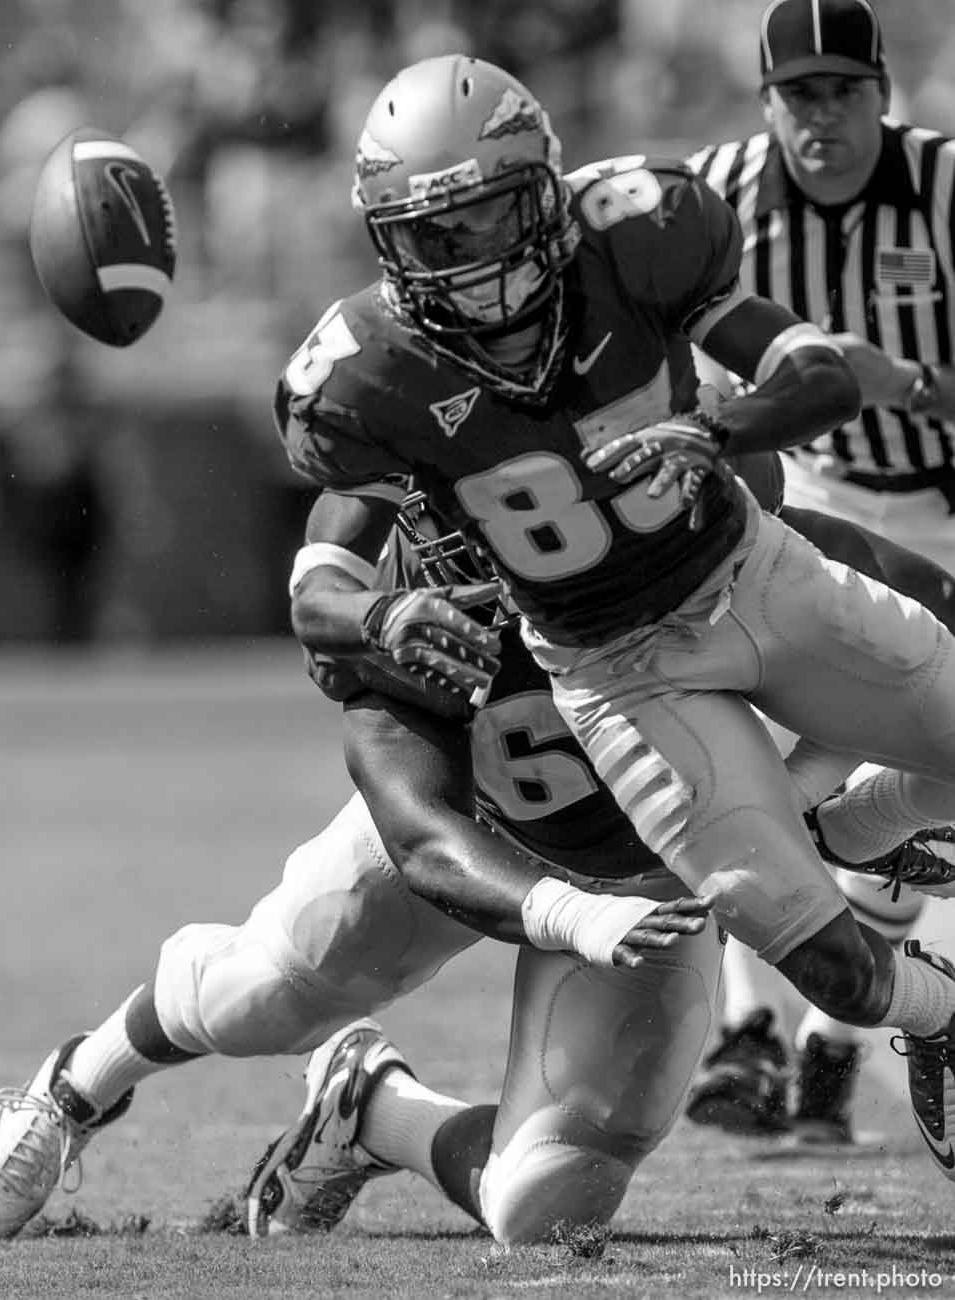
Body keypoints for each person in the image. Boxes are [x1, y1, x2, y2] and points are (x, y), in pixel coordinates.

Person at [0, 483, 955, 1247]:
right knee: (260, 994)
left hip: (652, 886)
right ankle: (77, 1083)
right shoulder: (432, 621)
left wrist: (873, 797)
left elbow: (908, 625)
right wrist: (569, 913)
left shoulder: (727, 540)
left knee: (545, 1204)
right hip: (491, 844)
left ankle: (370, 1107)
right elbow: (427, 840)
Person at [276, 52, 955, 1184]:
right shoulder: (367, 377)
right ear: (389, 244)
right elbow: (319, 584)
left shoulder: (638, 236)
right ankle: (939, 1011)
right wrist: (382, 618)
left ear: (544, 192)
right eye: (438, 236)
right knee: (831, 971)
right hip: (615, 674)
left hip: (753, 574)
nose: (479, 265)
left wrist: (718, 434)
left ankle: (847, 827)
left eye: (494, 216)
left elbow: (817, 375)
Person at [684, 0, 955, 1144]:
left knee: (912, 765)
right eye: (800, 94)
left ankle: (838, 1040)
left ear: (883, 95)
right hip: (810, 497)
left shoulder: (947, 187)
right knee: (745, 734)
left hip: (946, 495)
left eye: (844, 91)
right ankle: (755, 1037)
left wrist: (910, 386)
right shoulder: (714, 194)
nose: (823, 116)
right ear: (766, 104)